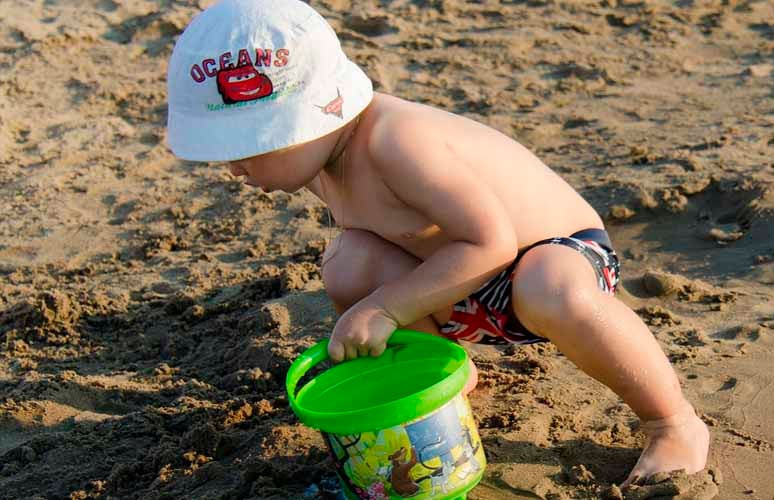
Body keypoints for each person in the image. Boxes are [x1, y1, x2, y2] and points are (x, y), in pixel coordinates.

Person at [166, 0, 709, 487]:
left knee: (546, 286)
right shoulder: (316, 159)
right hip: (462, 287)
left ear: (305, 120)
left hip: (554, 258)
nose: (234, 169)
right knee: (348, 264)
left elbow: (492, 243)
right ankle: (445, 375)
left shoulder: (396, 140)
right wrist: (377, 303)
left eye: (248, 147)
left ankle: (672, 421)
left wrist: (384, 308)